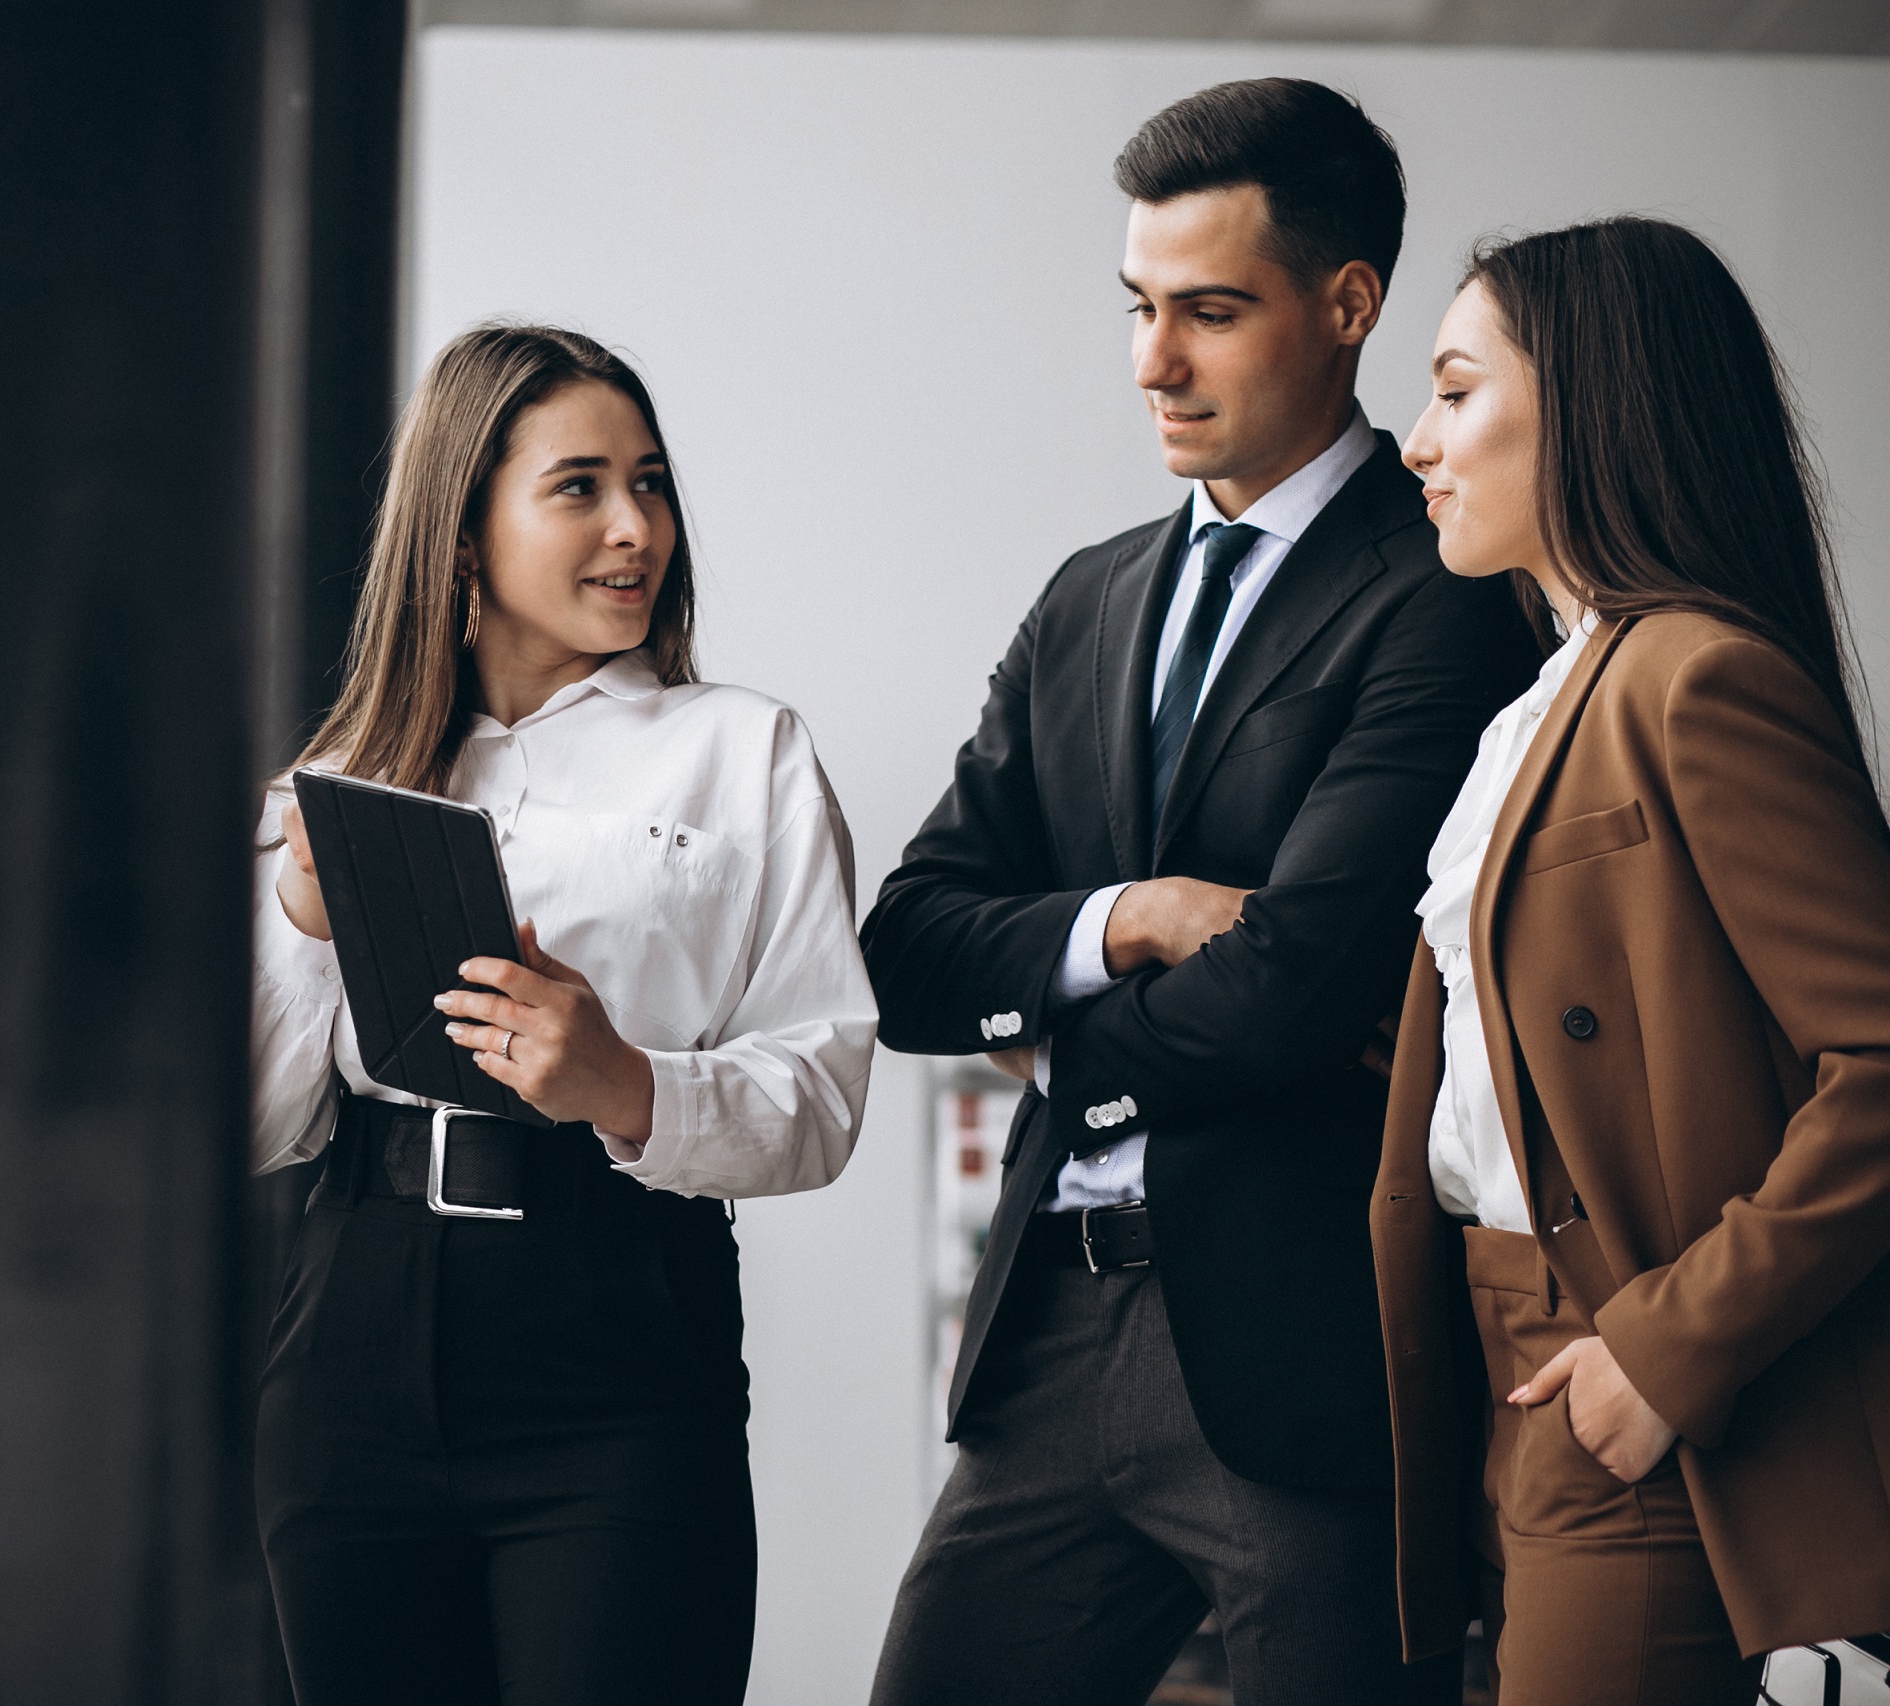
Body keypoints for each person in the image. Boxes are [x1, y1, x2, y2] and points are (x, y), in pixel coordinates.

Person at [863, 80, 1542, 1705]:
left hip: (1301, 1354)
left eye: (1210, 313)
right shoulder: (1088, 598)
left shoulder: (1445, 597)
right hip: (1046, 1346)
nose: (1154, 363)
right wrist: (1137, 917)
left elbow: (1303, 979)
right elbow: (902, 950)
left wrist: (1052, 1040)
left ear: (1347, 304)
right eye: (1140, 309)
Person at [248, 322, 877, 1706]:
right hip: (352, 1318)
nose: (634, 526)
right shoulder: (345, 772)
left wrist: (620, 1082)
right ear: (462, 533)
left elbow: (824, 1097)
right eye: (580, 486)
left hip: (615, 1328)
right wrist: (300, 931)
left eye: (648, 483)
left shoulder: (744, 750)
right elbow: (247, 1122)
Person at [1376, 216, 1890, 1705]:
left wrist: (1667, 1348)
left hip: (1632, 1365)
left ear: (1592, 401)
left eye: (1457, 390)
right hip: (1496, 1360)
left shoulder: (1695, 674)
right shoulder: (1542, 698)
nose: (1418, 440)